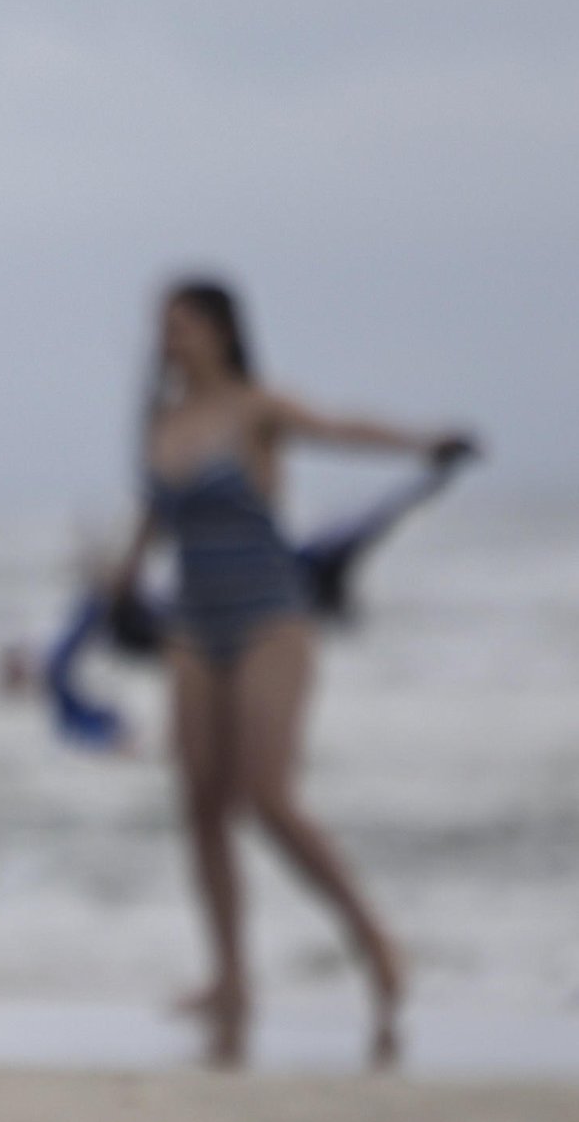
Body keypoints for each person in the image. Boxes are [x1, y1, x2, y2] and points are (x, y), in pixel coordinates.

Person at [113, 278, 466, 1071]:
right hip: (191, 626)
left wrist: (422, 444)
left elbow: (341, 428)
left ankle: (374, 943)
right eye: (161, 327)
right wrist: (120, 583)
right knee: (200, 804)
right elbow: (151, 515)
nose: (168, 339)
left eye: (182, 324)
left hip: (270, 618)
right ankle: (229, 979)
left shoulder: (256, 407)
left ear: (221, 330)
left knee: (266, 797)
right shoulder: (160, 421)